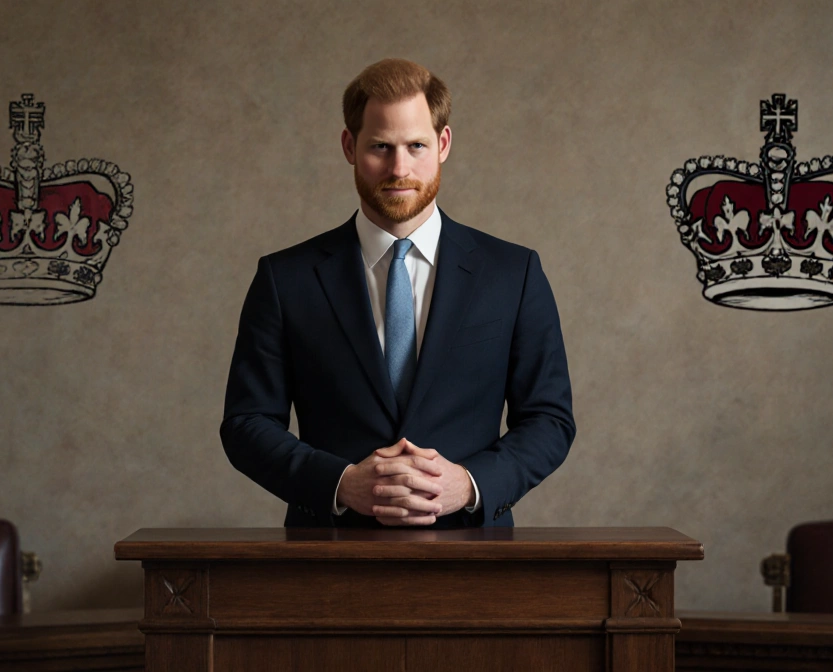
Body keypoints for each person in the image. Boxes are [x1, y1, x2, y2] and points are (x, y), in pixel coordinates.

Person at [220, 58, 575, 528]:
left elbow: (550, 419)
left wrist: (470, 484)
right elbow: (246, 423)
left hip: (475, 554)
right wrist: (340, 484)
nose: (399, 168)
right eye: (380, 147)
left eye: (416, 146)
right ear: (349, 146)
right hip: (326, 553)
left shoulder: (513, 273)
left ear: (443, 144)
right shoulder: (285, 279)